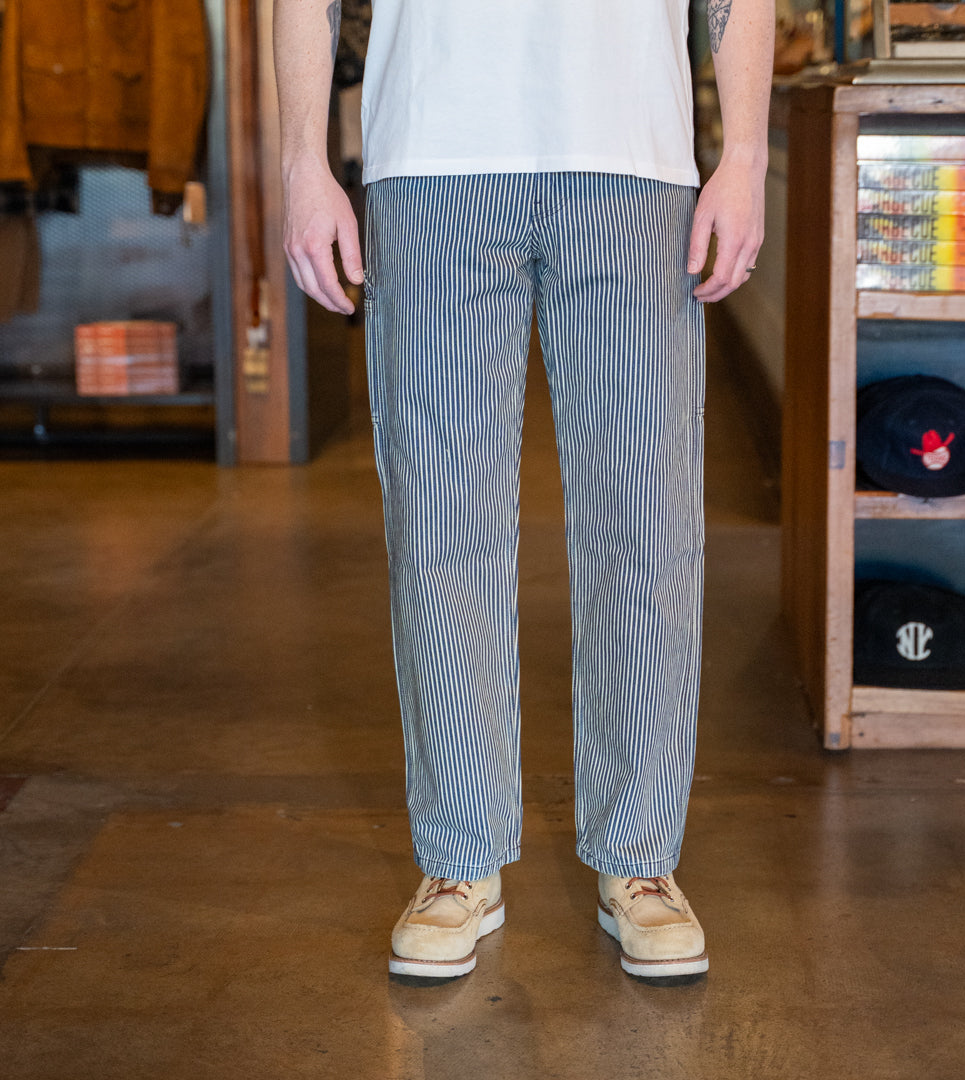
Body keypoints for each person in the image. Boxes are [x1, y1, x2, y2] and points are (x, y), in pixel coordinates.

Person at [274, 0, 773, 979]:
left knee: (646, 520)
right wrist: (302, 164)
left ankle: (640, 857)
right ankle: (458, 858)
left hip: (632, 157)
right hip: (431, 154)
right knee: (440, 524)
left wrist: (745, 156)